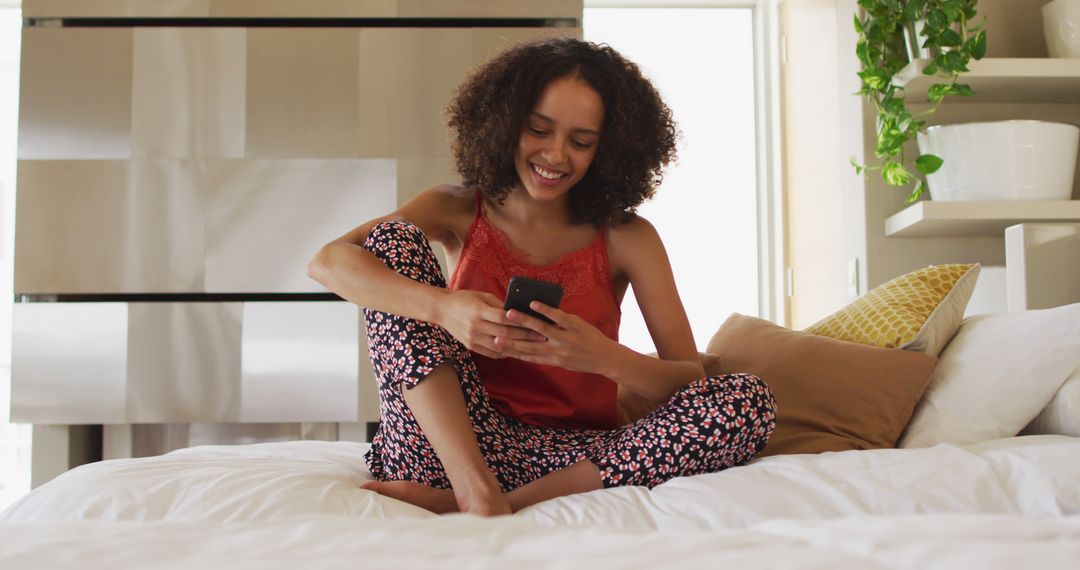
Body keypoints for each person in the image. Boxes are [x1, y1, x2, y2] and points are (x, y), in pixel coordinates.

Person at [307, 37, 776, 517]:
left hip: (565, 460)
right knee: (389, 241)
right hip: (443, 446)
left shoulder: (629, 238)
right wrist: (444, 308)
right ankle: (471, 482)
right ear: (506, 124)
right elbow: (328, 261)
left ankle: (488, 501)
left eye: (580, 142)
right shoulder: (454, 207)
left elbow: (688, 380)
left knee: (747, 398)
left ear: (608, 150)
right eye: (538, 130)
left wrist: (602, 357)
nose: (555, 156)